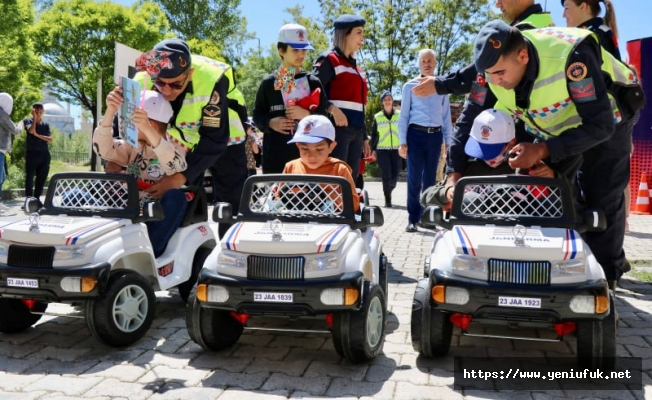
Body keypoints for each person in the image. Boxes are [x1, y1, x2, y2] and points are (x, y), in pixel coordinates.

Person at [472, 20, 644, 289]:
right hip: (566, 122)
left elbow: (600, 126)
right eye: (490, 74)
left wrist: (541, 149)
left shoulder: (573, 56)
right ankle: (552, 263)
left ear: (523, 56)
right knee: (542, 182)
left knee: (602, 197)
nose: (495, 81)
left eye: (500, 73)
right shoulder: (496, 65)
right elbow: (462, 86)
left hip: (611, 116)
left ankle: (604, 280)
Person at [133, 39, 248, 238]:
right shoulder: (140, 80)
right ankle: (190, 246)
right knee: (184, 198)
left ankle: (230, 251)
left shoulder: (211, 80)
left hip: (225, 138)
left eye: (176, 84)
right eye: (160, 83)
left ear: (190, 74)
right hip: (184, 141)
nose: (167, 91)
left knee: (230, 204)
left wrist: (179, 177)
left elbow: (213, 140)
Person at [94, 88, 188, 257]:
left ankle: (150, 251)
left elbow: (175, 165)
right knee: (74, 194)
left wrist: (148, 130)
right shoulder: (134, 145)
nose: (126, 126)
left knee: (177, 198)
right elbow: (104, 150)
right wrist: (110, 112)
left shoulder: (176, 144)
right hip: (127, 207)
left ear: (149, 124)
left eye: (132, 122)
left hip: (154, 214)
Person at [412, 0, 554, 98]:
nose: (497, 4)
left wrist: (442, 83)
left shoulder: (526, 30)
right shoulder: (544, 22)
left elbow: (486, 66)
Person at [421, 108, 555, 208]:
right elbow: (426, 196)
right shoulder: (466, 168)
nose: (483, 154)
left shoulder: (526, 167)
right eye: (480, 146)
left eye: (491, 148)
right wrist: (447, 192)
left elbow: (559, 201)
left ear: (511, 143)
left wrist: (553, 177)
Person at [253, 23, 329, 174]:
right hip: (275, 159)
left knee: (308, 197)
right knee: (276, 197)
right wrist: (270, 123)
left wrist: (307, 115)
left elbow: (325, 118)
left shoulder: (313, 82)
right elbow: (257, 116)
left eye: (304, 50)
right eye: (295, 50)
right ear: (281, 50)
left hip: (308, 161)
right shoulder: (269, 83)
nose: (301, 54)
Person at [399, 49, 453, 232]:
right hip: (415, 135)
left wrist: (448, 143)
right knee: (414, 178)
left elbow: (446, 117)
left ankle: (427, 218)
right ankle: (413, 219)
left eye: (430, 60)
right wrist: (402, 141)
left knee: (430, 178)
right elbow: (403, 116)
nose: (427, 63)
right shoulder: (409, 86)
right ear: (419, 64)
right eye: (424, 60)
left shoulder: (442, 88)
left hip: (435, 136)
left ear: (435, 63)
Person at [313, 14, 371, 180]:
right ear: (345, 33)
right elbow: (312, 91)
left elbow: (360, 105)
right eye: (359, 32)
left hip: (357, 132)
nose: (363, 38)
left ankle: (349, 206)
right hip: (336, 131)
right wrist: (332, 109)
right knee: (335, 178)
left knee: (350, 179)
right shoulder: (329, 60)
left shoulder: (357, 68)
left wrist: (365, 137)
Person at [283, 114, 360, 213]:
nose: (312, 156)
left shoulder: (339, 169)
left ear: (331, 147)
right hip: (296, 221)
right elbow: (278, 199)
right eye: (305, 148)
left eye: (319, 149)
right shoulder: (290, 167)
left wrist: (326, 196)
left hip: (331, 223)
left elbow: (354, 205)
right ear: (298, 146)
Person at [370, 91, 401, 208]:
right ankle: (387, 198)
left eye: (389, 99)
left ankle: (389, 188)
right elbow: (374, 134)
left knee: (396, 173)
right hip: (382, 150)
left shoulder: (399, 114)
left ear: (392, 101)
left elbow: (404, 130)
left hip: (397, 149)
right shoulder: (377, 117)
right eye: (385, 99)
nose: (387, 101)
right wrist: (373, 149)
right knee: (386, 174)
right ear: (382, 102)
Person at [23, 103, 53, 206]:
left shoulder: (46, 125)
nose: (38, 112)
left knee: (41, 178)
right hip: (32, 154)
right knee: (29, 177)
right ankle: (28, 199)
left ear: (43, 111)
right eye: (36, 110)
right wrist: (35, 118)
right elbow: (31, 131)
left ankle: (37, 199)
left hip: (44, 155)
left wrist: (37, 135)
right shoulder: (28, 121)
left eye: (40, 110)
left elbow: (50, 139)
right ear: (33, 111)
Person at [0, 93, 15, 214]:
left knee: (2, 177)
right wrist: (20, 126)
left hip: (1, 151)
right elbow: (13, 129)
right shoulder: (2, 114)